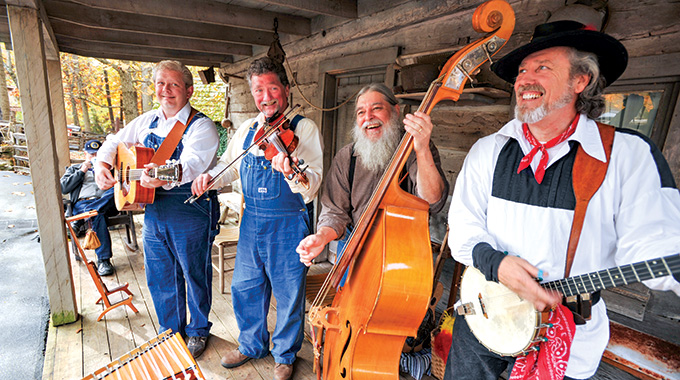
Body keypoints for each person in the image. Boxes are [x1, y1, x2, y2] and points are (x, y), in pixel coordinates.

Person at [445, 20, 680, 380]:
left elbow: (653, 243)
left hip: (567, 339)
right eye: (522, 70)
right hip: (484, 320)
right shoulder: (488, 151)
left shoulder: (624, 155)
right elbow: (463, 228)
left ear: (580, 80)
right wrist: (496, 264)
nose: (524, 79)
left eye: (542, 68)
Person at [191, 57, 323, 380]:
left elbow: (313, 185)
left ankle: (285, 354)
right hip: (251, 222)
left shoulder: (303, 128)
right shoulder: (249, 130)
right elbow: (230, 166)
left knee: (289, 292)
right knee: (245, 286)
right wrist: (210, 178)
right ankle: (251, 344)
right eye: (258, 90)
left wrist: (292, 171)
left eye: (272, 88)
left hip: (289, 223)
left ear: (286, 90)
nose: (266, 97)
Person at [94, 60, 219, 359]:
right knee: (161, 273)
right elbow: (114, 142)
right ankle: (171, 331)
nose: (166, 90)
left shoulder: (202, 126)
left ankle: (199, 330)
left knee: (194, 272)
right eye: (161, 84)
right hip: (153, 210)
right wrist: (101, 164)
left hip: (189, 208)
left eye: (174, 84)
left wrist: (161, 175)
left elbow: (190, 166)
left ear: (188, 91)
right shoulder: (146, 120)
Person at [296, 82, 448, 271]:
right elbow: (334, 212)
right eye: (361, 112)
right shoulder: (346, 157)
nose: (368, 117)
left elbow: (433, 201)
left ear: (395, 111)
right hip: (355, 249)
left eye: (377, 108)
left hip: (404, 252)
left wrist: (423, 149)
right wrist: (321, 237)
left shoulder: (415, 148)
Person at [60, 139, 117, 276]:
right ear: (85, 154)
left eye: (98, 154)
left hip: (106, 202)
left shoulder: (111, 168)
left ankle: (80, 220)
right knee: (96, 214)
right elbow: (63, 188)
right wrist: (81, 171)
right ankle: (104, 261)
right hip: (82, 203)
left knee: (115, 190)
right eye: (91, 155)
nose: (94, 157)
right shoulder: (75, 169)